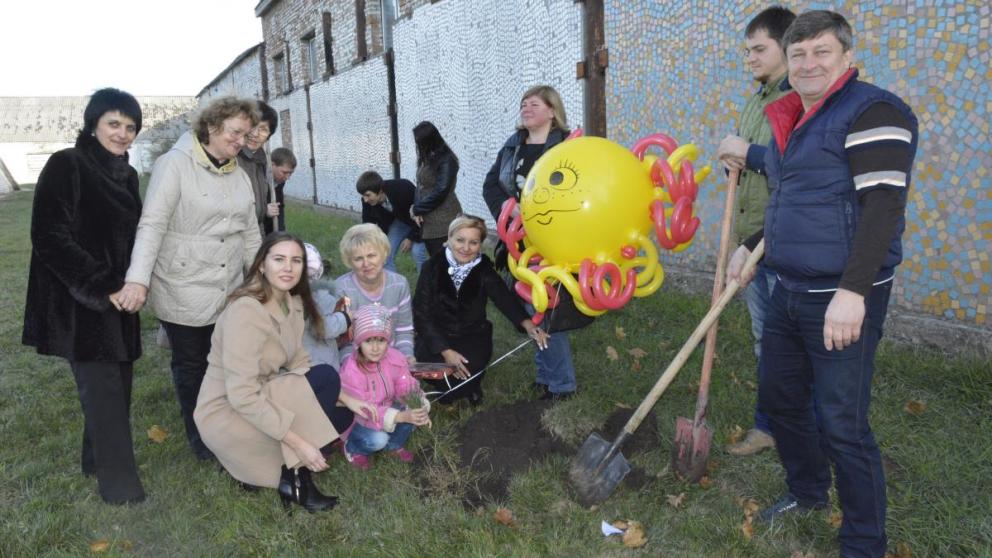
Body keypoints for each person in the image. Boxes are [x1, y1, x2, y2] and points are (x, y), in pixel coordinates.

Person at [726, 11, 918, 557]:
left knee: (842, 423)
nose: (810, 63)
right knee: (783, 401)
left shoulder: (873, 110)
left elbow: (882, 208)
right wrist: (752, 245)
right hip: (787, 287)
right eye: (801, 53)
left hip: (841, 297)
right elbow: (797, 198)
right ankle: (807, 492)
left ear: (847, 58)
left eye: (822, 53)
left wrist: (853, 294)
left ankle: (863, 542)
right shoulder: (792, 113)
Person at [117, 96, 264, 460]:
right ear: (212, 127)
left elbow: (249, 232)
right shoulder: (174, 165)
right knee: (193, 365)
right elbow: (152, 224)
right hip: (183, 284)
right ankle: (202, 440)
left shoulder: (239, 173)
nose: (241, 141)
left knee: (228, 360)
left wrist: (261, 277)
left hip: (228, 285)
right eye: (235, 132)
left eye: (246, 135)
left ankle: (227, 425)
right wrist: (138, 279)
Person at [21, 88, 146, 505]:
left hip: (121, 299)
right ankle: (121, 490)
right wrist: (105, 285)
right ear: (93, 123)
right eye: (114, 124)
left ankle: (94, 461)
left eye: (130, 127)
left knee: (118, 387)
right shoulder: (66, 164)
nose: (122, 134)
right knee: (104, 390)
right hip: (80, 302)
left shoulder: (126, 174)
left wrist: (132, 284)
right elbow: (49, 236)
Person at [194, 233, 373, 512]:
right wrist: (299, 443)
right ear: (262, 265)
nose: (288, 268)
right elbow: (241, 395)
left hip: (260, 393)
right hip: (228, 408)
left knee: (341, 411)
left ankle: (270, 471)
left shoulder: (292, 302)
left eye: (296, 260)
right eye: (279, 259)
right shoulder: (246, 311)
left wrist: (348, 398)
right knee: (325, 378)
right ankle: (295, 475)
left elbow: (300, 362)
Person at [715, 5, 796, 457]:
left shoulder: (796, 100)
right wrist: (734, 156)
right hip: (750, 235)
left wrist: (749, 151)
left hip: (778, 239)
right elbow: (750, 158)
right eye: (747, 50)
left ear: (786, 46)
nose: (750, 58)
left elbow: (795, 169)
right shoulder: (758, 97)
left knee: (790, 345)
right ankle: (768, 428)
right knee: (764, 338)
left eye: (759, 49)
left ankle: (801, 431)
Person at [481, 85, 578, 401]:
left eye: (534, 103)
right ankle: (545, 376)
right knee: (530, 305)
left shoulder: (568, 146)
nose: (526, 108)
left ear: (552, 111)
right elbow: (491, 186)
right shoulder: (512, 146)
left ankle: (562, 385)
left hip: (556, 241)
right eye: (523, 103)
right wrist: (509, 213)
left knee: (547, 308)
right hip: (519, 243)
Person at [413, 215, 549, 406]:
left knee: (464, 376)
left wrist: (528, 325)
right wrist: (445, 351)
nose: (466, 248)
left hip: (472, 336)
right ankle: (447, 383)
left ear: (480, 244)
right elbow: (421, 313)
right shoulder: (432, 266)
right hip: (436, 335)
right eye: (460, 240)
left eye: (473, 242)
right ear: (449, 239)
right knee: (419, 368)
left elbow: (504, 299)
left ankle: (467, 386)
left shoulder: (484, 269)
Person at [338, 304, 431, 470]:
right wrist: (401, 417)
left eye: (381, 340)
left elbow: (406, 384)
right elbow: (365, 409)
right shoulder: (351, 370)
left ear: (388, 340)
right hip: (361, 419)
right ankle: (353, 448)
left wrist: (419, 404)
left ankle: (393, 445)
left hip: (387, 408)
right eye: (368, 341)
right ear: (359, 342)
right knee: (377, 440)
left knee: (411, 408)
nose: (375, 348)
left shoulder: (395, 357)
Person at [334, 223, 416, 364]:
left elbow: (404, 330)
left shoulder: (399, 284)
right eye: (358, 258)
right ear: (349, 262)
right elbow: (343, 342)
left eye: (371, 255)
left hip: (392, 357)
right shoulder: (341, 288)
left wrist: (406, 357)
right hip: (356, 361)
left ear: (384, 255)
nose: (366, 263)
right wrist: (356, 366)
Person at [356, 170, 427, 272]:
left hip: (422, 222)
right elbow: (368, 223)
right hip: (401, 222)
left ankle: (425, 285)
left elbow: (423, 213)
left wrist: (411, 238)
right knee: (385, 255)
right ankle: (395, 285)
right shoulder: (366, 200)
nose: (365, 199)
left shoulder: (403, 188)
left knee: (417, 252)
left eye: (368, 195)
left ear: (380, 191)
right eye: (363, 196)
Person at [410, 121, 461, 256]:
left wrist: (417, 209)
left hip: (445, 219)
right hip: (428, 219)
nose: (417, 144)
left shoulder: (447, 160)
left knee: (447, 263)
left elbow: (441, 191)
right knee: (436, 262)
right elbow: (420, 186)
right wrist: (416, 210)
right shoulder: (428, 158)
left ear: (428, 140)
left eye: (419, 141)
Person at [301, 242, 351, 370]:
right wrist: (345, 318)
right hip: (318, 361)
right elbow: (322, 328)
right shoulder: (320, 296)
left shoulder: (286, 295)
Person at [240, 101, 280, 237]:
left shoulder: (260, 161)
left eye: (263, 129)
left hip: (256, 235)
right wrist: (262, 210)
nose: (255, 134)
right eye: (252, 126)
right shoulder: (231, 159)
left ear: (268, 135)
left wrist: (264, 211)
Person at [267, 147, 296, 235]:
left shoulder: (280, 181)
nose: (287, 177)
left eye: (290, 173)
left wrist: (281, 233)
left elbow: (280, 207)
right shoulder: (258, 179)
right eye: (284, 172)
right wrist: (264, 210)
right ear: (272, 165)